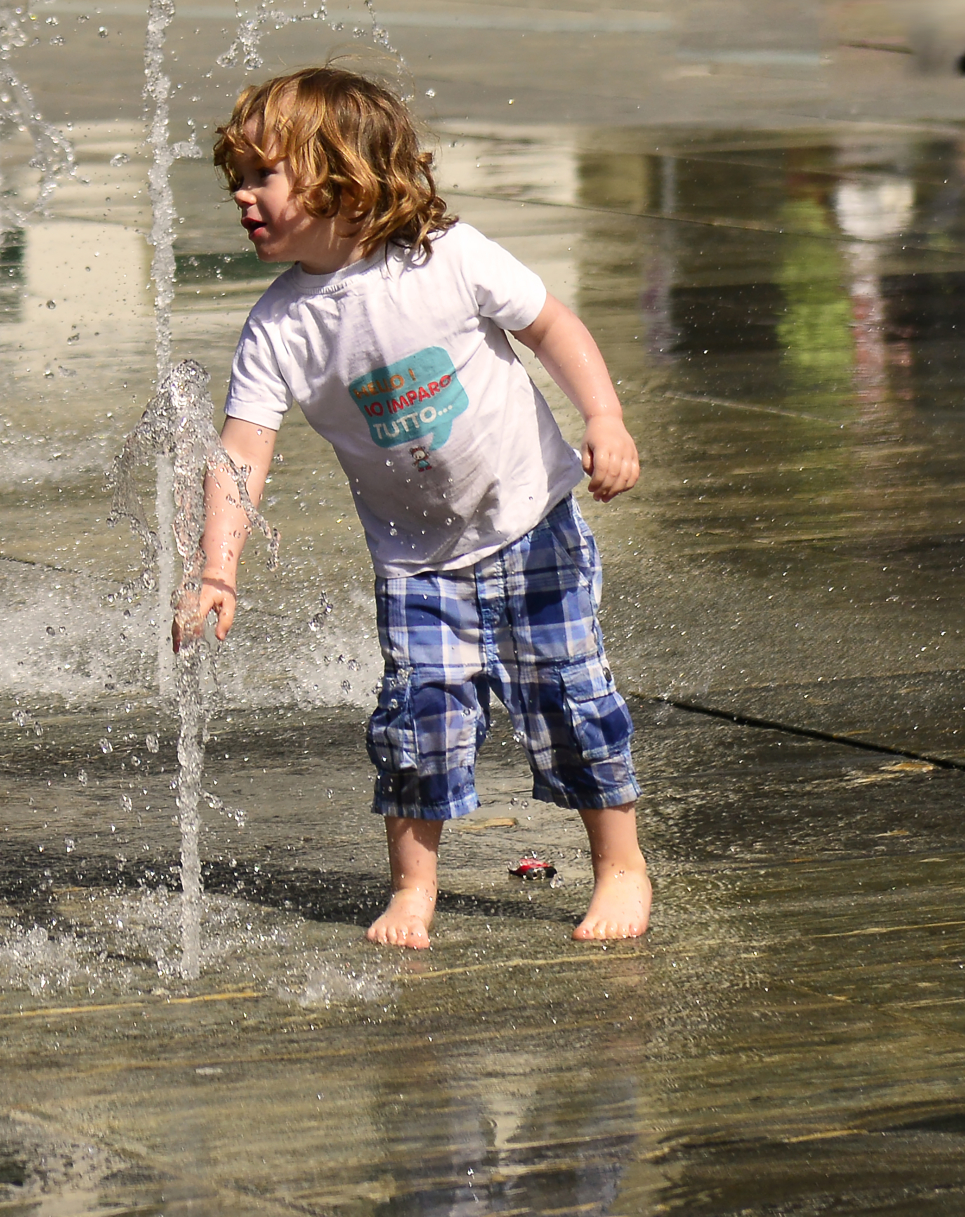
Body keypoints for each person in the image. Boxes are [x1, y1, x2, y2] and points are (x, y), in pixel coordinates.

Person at [174, 67, 650, 948]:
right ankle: (413, 890)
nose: (240, 196)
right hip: (417, 563)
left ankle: (619, 865)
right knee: (416, 721)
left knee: (569, 701)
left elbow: (552, 324)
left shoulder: (448, 256)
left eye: (260, 175)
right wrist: (216, 569)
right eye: (234, 178)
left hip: (531, 524)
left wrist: (605, 419)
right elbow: (240, 453)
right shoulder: (279, 327)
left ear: (342, 178)